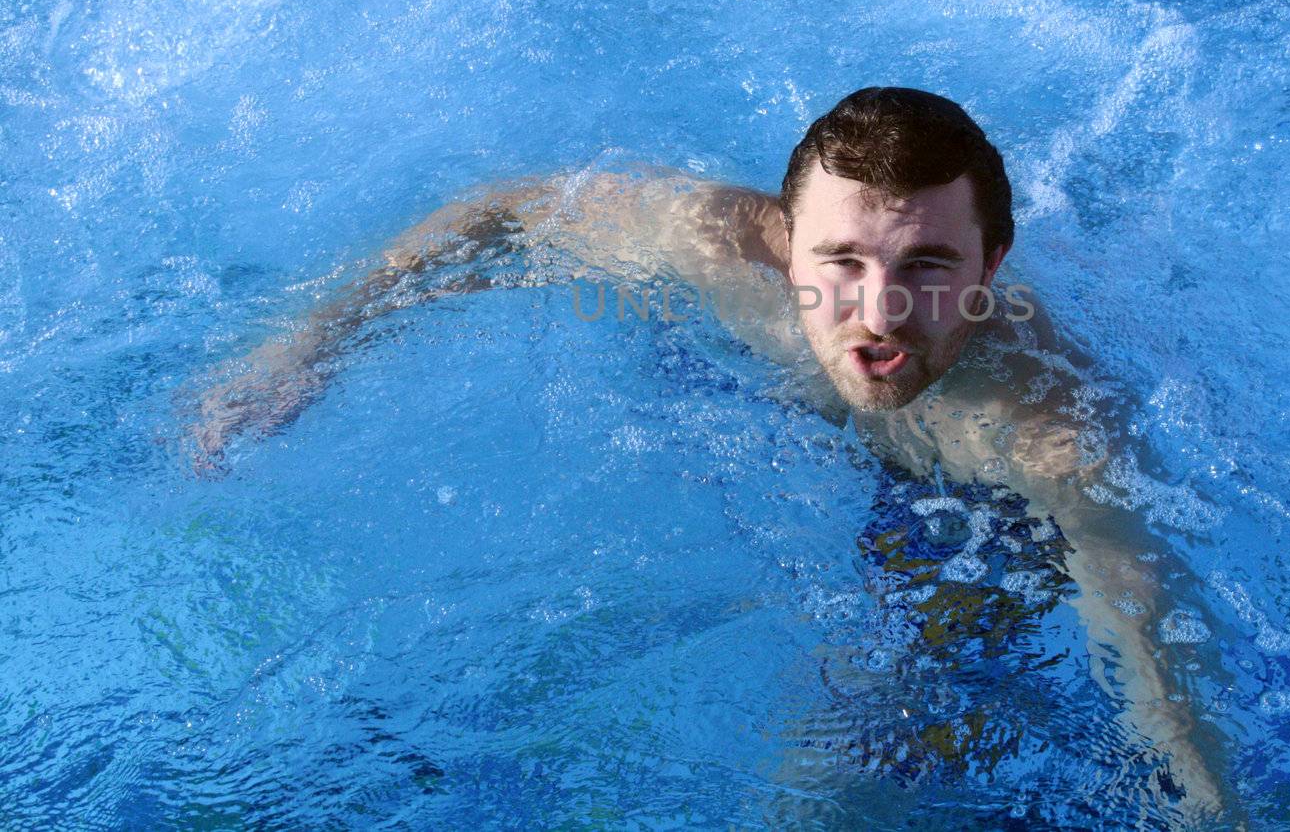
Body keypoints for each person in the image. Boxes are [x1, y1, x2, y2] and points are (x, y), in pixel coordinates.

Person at [190, 87, 1235, 824]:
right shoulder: (711, 245)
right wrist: (308, 340)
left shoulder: (1049, 431)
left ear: (990, 264)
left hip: (962, 489)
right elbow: (510, 212)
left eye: (926, 265)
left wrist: (1207, 802)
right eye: (841, 259)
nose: (876, 314)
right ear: (781, 241)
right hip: (760, 388)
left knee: (844, 765)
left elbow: (1144, 622)